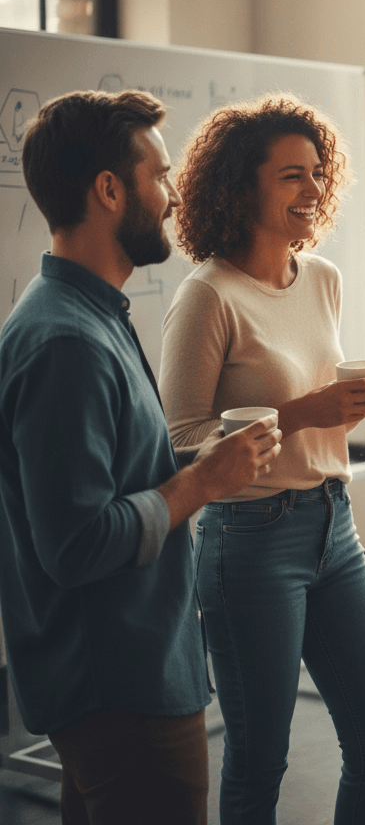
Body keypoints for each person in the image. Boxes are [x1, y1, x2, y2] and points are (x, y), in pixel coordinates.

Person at [0, 90, 281, 824]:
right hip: (119, 686)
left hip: (126, 674)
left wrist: (194, 474)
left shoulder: (90, 314)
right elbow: (76, 544)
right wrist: (204, 482)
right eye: (161, 175)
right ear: (108, 190)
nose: (174, 195)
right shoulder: (66, 341)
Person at [159, 95, 365, 825]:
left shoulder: (322, 279)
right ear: (241, 188)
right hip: (248, 539)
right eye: (292, 177)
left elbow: (317, 393)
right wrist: (305, 414)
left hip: (333, 526)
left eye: (319, 173)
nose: (314, 190)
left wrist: (358, 403)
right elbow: (181, 440)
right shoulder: (208, 294)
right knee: (260, 757)